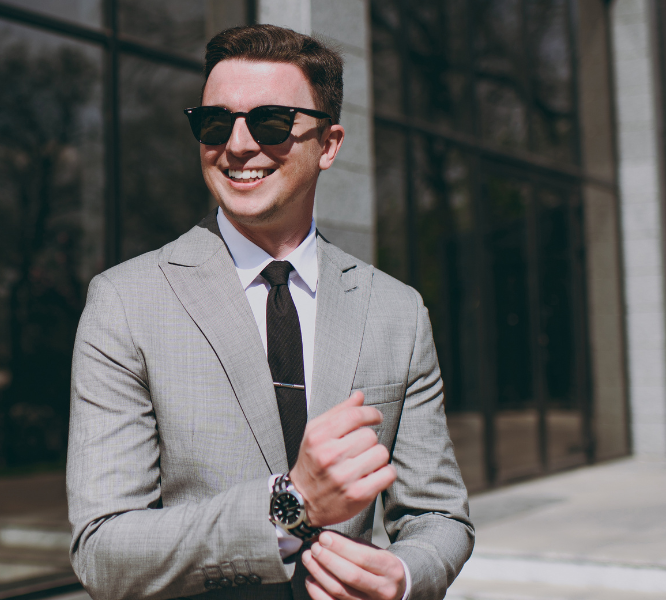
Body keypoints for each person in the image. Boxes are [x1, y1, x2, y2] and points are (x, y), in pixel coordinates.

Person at [66, 24, 472, 600]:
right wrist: (290, 504)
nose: (236, 145)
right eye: (214, 123)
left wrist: (403, 578)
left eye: (270, 122)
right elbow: (103, 551)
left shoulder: (396, 311)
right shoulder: (125, 303)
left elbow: (439, 516)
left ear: (328, 144)